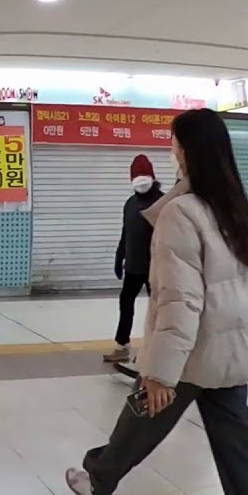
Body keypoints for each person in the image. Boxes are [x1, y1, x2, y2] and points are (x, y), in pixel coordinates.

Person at [66, 109, 248, 495]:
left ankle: (98, 482)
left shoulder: (182, 213)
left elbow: (179, 301)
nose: (170, 149)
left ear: (185, 150)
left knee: (143, 413)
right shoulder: (232, 205)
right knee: (240, 452)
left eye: (173, 142)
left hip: (191, 353)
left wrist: (158, 373)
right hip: (229, 353)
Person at [106, 154, 163, 364]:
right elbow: (126, 233)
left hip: (156, 266)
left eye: (144, 176)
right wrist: (119, 255)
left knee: (158, 309)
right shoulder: (130, 204)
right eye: (137, 177)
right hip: (133, 265)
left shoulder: (163, 202)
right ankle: (122, 346)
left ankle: (154, 350)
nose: (140, 181)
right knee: (126, 302)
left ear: (152, 177)